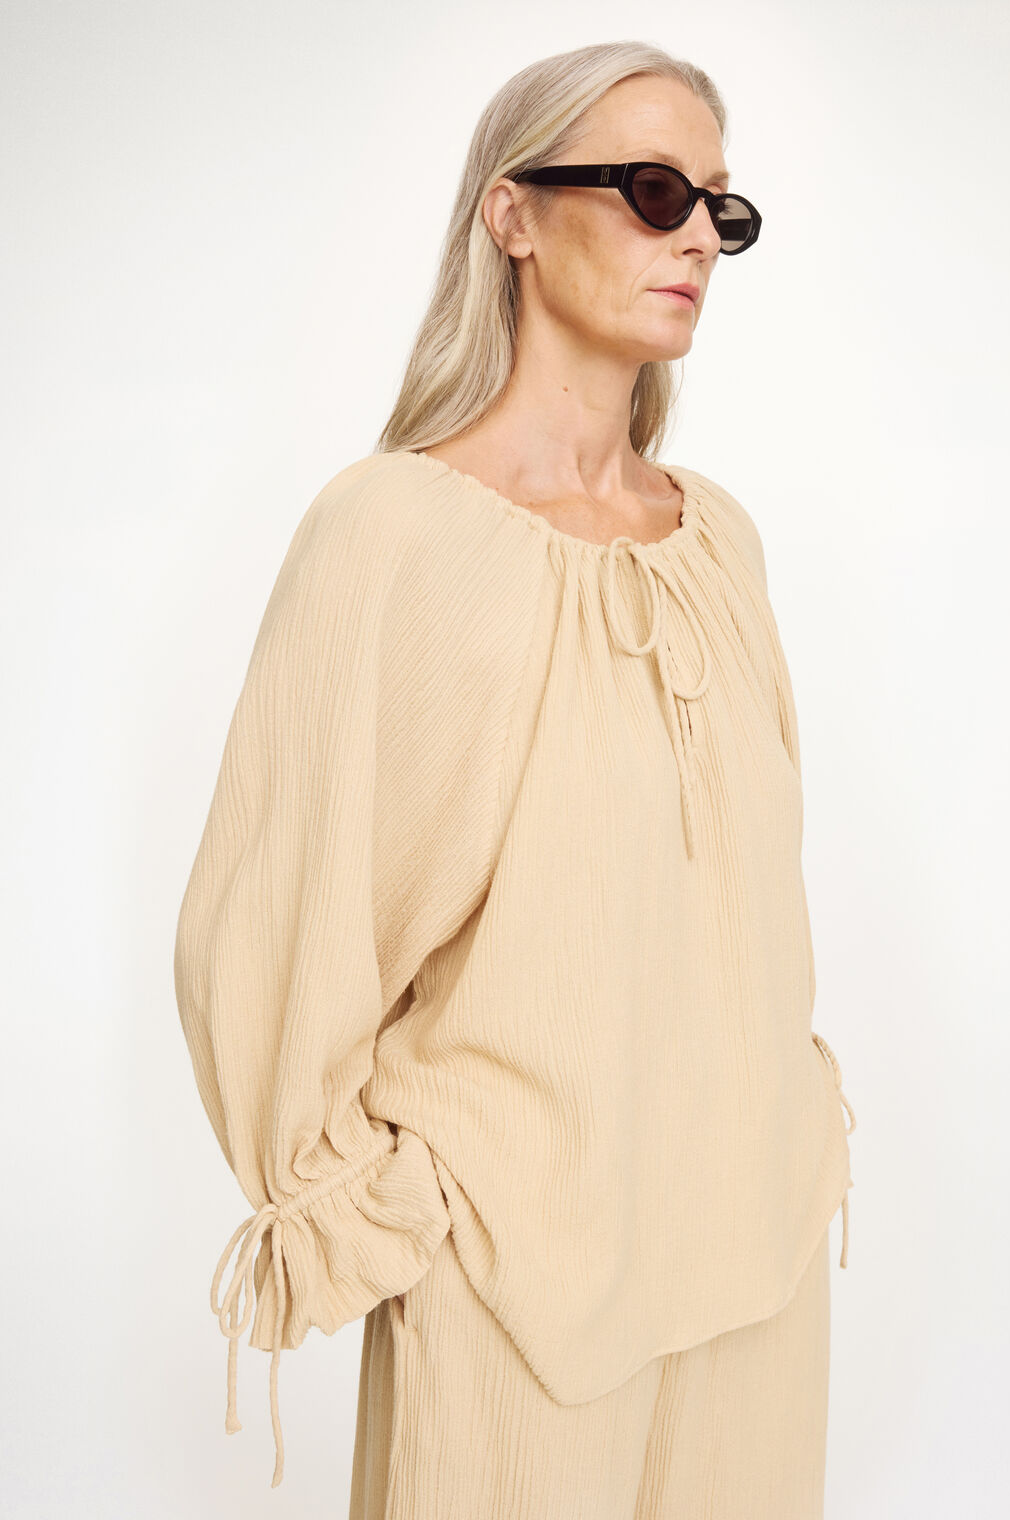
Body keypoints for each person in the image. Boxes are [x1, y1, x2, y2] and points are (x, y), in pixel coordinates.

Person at [173, 38, 857, 1520]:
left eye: (722, 209)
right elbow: (278, 917)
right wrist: (386, 1203)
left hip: (757, 1258)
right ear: (514, 214)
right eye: (656, 190)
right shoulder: (391, 535)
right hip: (513, 1276)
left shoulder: (720, 543)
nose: (698, 238)